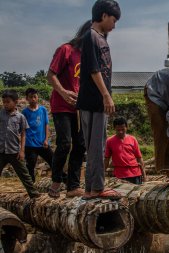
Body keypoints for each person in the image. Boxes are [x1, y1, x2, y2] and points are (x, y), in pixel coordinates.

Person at [76, 0, 121, 200]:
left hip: (94, 100)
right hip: (93, 100)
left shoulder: (100, 38)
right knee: (97, 146)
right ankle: (96, 188)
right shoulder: (91, 37)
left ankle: (90, 189)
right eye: (113, 19)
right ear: (103, 16)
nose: (114, 24)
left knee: (95, 146)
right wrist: (106, 95)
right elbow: (94, 70)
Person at [47, 20, 91, 198]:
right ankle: (56, 180)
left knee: (80, 145)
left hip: (79, 108)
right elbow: (50, 75)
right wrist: (64, 92)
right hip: (61, 105)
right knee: (64, 143)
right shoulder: (66, 49)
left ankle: (72, 186)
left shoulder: (89, 57)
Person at [0, 90, 40, 198]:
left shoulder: (20, 117)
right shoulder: (1, 114)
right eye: (4, 102)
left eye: (8, 102)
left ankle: (34, 194)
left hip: (14, 152)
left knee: (24, 174)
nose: (5, 104)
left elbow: (23, 134)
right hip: (1, 150)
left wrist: (22, 151)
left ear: (16, 101)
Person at [21, 88, 54, 182]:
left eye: (35, 96)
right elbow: (23, 129)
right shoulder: (25, 112)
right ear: (27, 98)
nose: (33, 99)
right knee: (30, 166)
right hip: (30, 145)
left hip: (43, 143)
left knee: (54, 162)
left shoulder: (43, 110)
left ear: (37, 97)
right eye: (31, 97)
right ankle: (31, 185)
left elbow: (46, 125)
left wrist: (46, 139)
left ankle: (64, 181)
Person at [104, 117, 146, 184]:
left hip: (135, 173)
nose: (120, 132)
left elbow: (139, 158)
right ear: (114, 128)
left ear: (127, 127)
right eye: (118, 130)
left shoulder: (133, 139)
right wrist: (102, 173)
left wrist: (144, 175)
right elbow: (106, 159)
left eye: (123, 129)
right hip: (120, 175)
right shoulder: (109, 141)